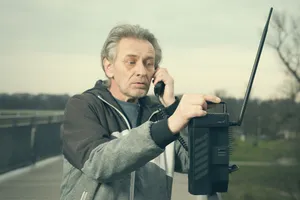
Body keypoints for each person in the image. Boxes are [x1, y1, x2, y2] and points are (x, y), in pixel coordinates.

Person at [60, 24, 222, 200]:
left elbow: (195, 163)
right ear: (109, 67)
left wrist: (172, 107)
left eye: (149, 63)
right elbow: (98, 165)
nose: (141, 71)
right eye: (131, 62)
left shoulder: (159, 114)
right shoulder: (83, 106)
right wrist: (168, 126)